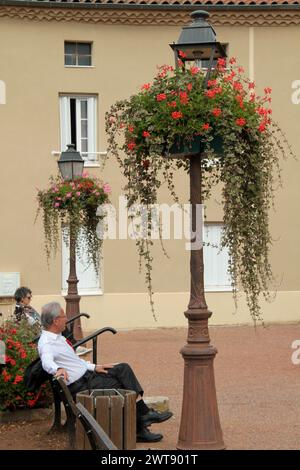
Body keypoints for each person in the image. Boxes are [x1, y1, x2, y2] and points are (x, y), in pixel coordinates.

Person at [38, 302, 172, 443]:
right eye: (64, 316)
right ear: (55, 320)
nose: (66, 318)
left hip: (88, 377)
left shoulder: (59, 337)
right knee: (123, 386)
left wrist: (95, 366)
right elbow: (46, 361)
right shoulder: (46, 343)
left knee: (123, 368)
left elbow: (75, 362)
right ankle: (141, 424)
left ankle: (144, 416)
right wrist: (57, 369)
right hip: (81, 387)